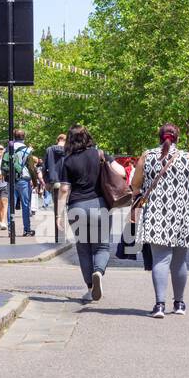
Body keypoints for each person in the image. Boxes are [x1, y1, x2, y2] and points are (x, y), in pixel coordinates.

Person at [131, 124, 189, 318]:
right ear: (177, 138)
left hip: (156, 213)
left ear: (160, 137)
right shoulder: (187, 158)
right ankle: (179, 303)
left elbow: (135, 184)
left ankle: (159, 305)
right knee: (179, 261)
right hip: (181, 214)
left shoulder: (147, 156)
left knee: (160, 259)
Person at [56, 124, 126, 303]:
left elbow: (64, 189)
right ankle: (98, 271)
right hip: (100, 205)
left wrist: (59, 215)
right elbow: (121, 171)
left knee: (84, 249)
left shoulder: (68, 161)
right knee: (102, 247)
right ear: (87, 137)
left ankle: (89, 288)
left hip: (77, 207)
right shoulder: (99, 153)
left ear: (70, 140)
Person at [8, 130, 38, 237]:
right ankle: (27, 229)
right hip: (23, 179)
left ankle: (11, 229)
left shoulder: (9, 147)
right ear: (24, 137)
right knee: (25, 204)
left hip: (11, 178)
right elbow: (31, 167)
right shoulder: (27, 150)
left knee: (11, 204)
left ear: (14, 137)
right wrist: (35, 182)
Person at [43, 132, 67, 212]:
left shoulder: (49, 150)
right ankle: (63, 223)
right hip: (65, 181)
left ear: (58, 140)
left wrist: (46, 181)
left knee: (56, 207)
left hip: (53, 181)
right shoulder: (68, 150)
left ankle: (57, 223)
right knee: (64, 207)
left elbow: (44, 167)